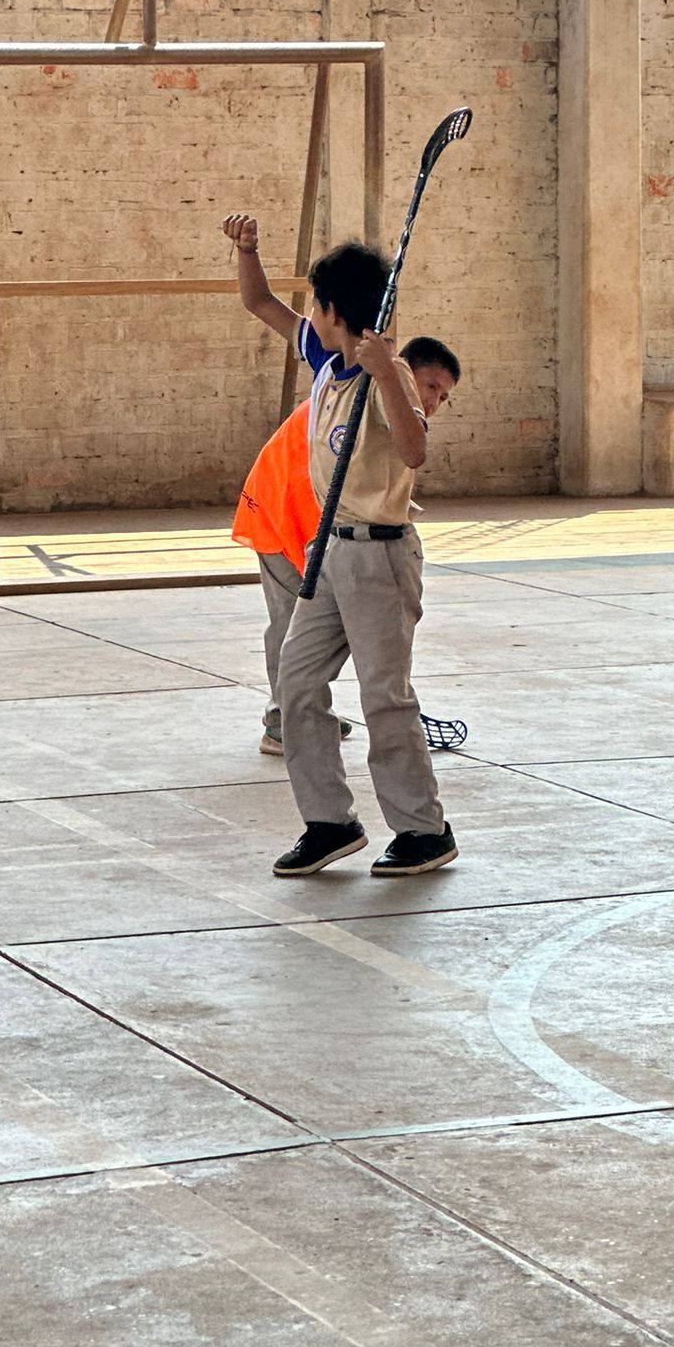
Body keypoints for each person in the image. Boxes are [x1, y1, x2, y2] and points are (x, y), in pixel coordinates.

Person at [222, 213, 459, 878]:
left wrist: (389, 374)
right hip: (328, 553)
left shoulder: (388, 377)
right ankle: (329, 821)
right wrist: (248, 250)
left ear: (331, 308)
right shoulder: (326, 357)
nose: (308, 316)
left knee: (384, 696)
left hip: (380, 555)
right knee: (297, 683)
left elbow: (415, 450)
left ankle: (423, 830)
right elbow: (257, 301)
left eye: (315, 306)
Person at [232, 335, 462, 757]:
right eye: (431, 387)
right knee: (292, 620)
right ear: (404, 369)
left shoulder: (380, 410)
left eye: (444, 397)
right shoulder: (362, 398)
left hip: (306, 511)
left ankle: (304, 710)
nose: (434, 402)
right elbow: (318, 489)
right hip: (281, 509)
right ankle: (283, 719)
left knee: (307, 621)